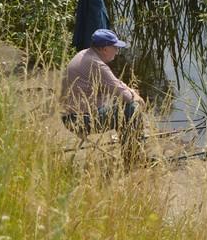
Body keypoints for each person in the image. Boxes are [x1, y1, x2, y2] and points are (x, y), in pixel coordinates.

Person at [61, 28, 145, 164]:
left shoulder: (85, 54)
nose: (117, 51)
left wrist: (131, 91)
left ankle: (131, 148)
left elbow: (115, 83)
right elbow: (127, 97)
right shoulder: (97, 65)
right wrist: (136, 97)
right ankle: (133, 159)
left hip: (70, 116)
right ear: (105, 49)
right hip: (79, 121)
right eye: (115, 48)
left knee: (124, 103)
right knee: (131, 109)